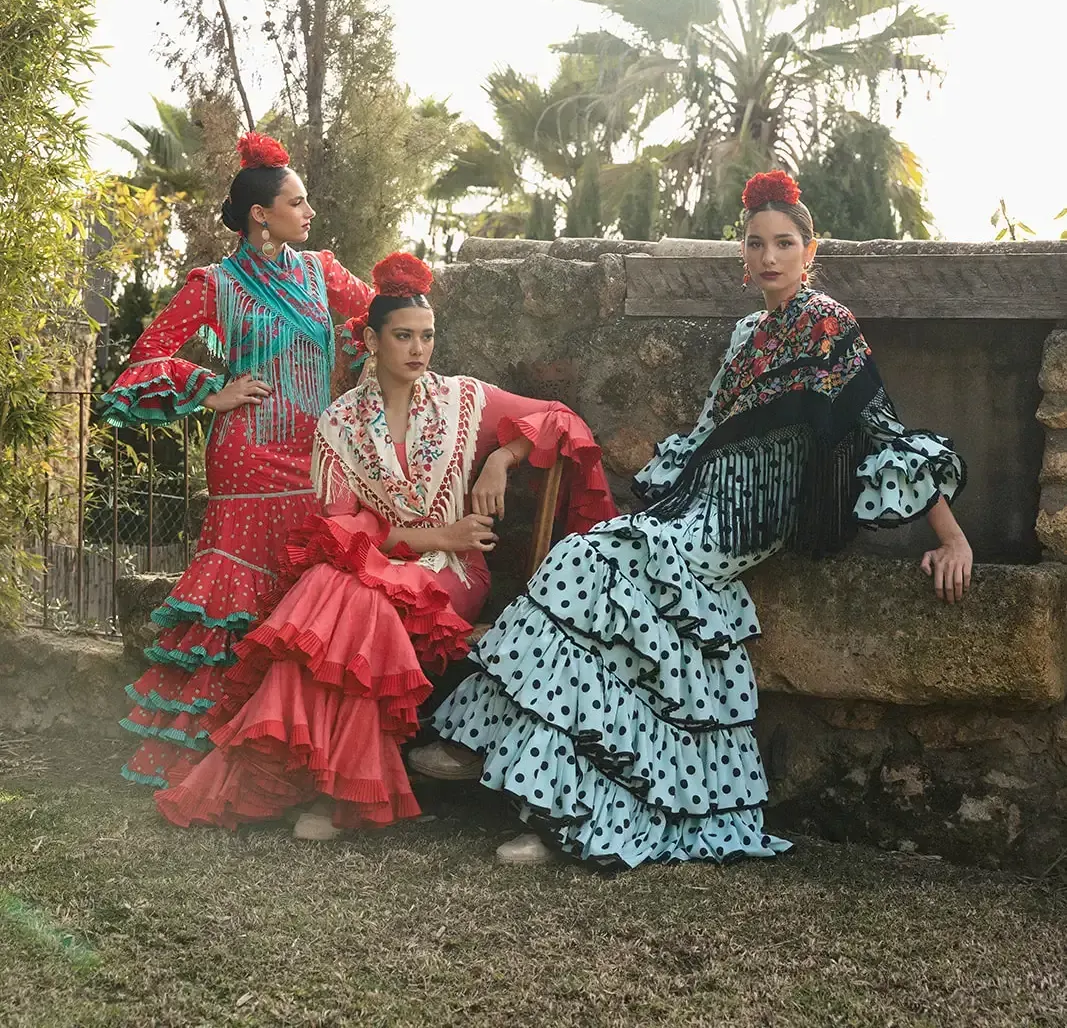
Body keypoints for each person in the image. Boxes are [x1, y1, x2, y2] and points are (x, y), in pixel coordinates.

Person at [409, 170, 973, 867]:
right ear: (742, 255)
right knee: (594, 579)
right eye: (755, 244)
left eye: (783, 243)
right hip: (698, 503)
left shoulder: (826, 324)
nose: (768, 257)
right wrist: (661, 514)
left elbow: (883, 428)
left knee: (590, 561)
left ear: (809, 250)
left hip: (751, 518)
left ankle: (494, 754)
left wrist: (950, 536)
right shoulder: (743, 335)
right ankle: (555, 804)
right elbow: (707, 433)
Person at [154, 253, 617, 839]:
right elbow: (346, 531)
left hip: (452, 573)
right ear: (373, 340)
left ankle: (329, 795)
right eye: (404, 336)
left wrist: (501, 457)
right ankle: (326, 785)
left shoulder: (462, 400)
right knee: (338, 589)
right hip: (384, 563)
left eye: (427, 336)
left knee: (339, 598)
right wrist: (437, 532)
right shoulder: (339, 424)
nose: (419, 350)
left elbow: (559, 418)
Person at [100, 133, 374, 790]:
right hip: (247, 458)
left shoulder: (320, 272)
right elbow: (145, 357)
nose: (308, 214)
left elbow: (379, 319)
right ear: (261, 212)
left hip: (316, 458)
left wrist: (356, 377)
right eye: (297, 202)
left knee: (304, 598)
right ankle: (212, 756)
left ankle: (291, 751)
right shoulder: (214, 285)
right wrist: (209, 390)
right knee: (237, 604)